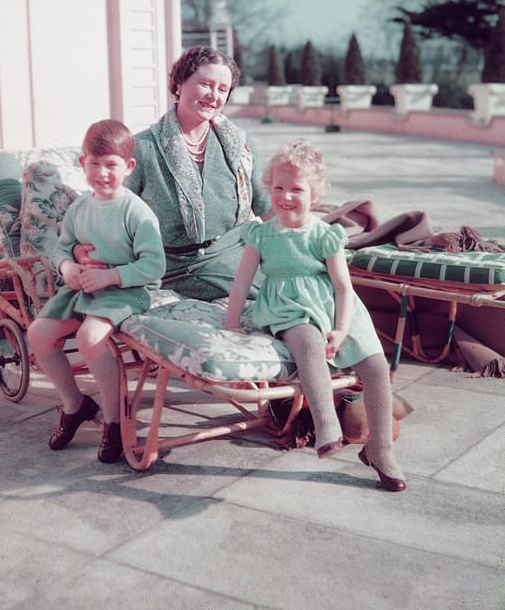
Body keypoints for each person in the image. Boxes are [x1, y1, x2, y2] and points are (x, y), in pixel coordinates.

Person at [225, 140, 406, 492]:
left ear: (314, 194)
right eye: (278, 188)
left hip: (335, 307)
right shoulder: (261, 235)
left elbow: (342, 287)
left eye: (296, 189)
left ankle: (380, 449)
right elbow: (241, 282)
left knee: (376, 367)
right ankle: (327, 426)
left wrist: (340, 330)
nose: (285, 196)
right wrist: (232, 323)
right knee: (308, 342)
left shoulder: (325, 235)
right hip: (290, 307)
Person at [27, 119, 165, 463]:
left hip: (126, 290)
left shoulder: (137, 213)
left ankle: (115, 419)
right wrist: (68, 267)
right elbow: (62, 248)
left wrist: (111, 277)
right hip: (83, 288)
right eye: (94, 164)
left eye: (111, 165)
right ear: (82, 164)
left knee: (90, 338)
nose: (102, 173)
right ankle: (75, 405)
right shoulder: (79, 209)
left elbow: (154, 266)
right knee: (39, 334)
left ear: (128, 167)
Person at [114, 45, 271, 300]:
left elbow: (268, 208)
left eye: (222, 89)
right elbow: (111, 215)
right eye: (206, 84)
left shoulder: (240, 144)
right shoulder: (141, 149)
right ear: (179, 84)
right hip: (177, 268)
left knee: (310, 286)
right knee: (278, 299)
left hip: (238, 252)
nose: (214, 95)